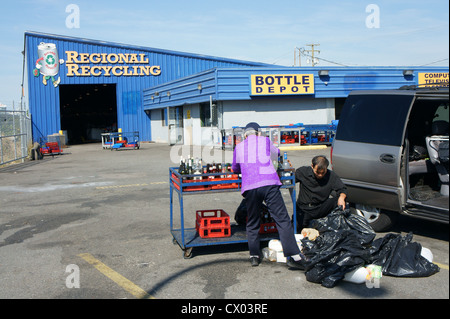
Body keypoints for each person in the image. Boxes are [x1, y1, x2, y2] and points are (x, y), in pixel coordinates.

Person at [232, 122, 306, 269]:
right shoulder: (264, 140)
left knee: (252, 221)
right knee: (282, 219)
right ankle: (294, 257)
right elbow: (276, 153)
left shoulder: (239, 146)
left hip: (250, 187)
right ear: (258, 133)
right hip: (269, 184)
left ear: (245, 135)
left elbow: (235, 168)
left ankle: (254, 256)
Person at [295, 155, 347, 232]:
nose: (320, 175)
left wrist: (342, 198)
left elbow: (342, 189)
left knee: (339, 201)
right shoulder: (303, 172)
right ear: (312, 166)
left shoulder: (331, 176)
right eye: (317, 172)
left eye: (323, 173)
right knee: (299, 230)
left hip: (321, 207)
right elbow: (289, 180)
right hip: (305, 209)